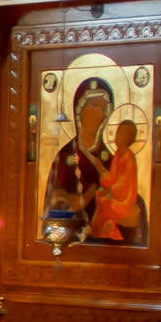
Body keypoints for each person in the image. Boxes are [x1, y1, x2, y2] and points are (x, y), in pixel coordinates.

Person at [44, 77, 117, 242]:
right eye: (94, 105)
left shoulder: (109, 159)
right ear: (80, 110)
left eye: (104, 108)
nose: (100, 113)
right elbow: (55, 205)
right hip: (69, 237)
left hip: (104, 242)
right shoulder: (64, 156)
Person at [92, 116, 147, 245]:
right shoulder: (117, 154)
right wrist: (101, 171)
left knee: (104, 201)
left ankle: (110, 229)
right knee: (99, 194)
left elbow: (124, 183)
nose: (116, 136)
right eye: (117, 132)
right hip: (117, 194)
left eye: (120, 133)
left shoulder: (128, 157)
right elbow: (112, 178)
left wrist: (109, 190)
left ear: (127, 138)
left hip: (125, 199)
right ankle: (99, 230)